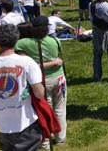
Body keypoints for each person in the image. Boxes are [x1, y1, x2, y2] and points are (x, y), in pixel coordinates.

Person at [0, 24, 45, 150]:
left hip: (4, 128)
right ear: (16, 40)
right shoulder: (27, 62)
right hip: (27, 125)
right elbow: (39, 94)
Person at [15, 16, 68, 146]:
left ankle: (45, 140)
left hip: (39, 81)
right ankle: (60, 138)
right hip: (58, 78)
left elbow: (24, 65)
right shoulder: (55, 41)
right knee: (60, 108)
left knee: (43, 110)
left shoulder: (22, 44)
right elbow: (58, 58)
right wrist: (54, 62)